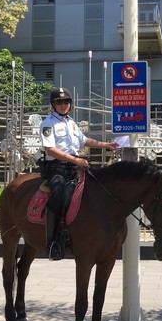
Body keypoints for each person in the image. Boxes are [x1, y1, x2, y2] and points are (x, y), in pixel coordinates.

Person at [40, 87, 117, 260]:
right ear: (53, 104)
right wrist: (75, 160)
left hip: (76, 167)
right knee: (58, 196)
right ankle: (52, 242)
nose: (63, 105)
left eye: (66, 102)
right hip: (57, 167)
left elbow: (84, 140)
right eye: (59, 102)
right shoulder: (48, 123)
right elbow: (50, 150)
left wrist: (107, 145)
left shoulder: (72, 123)